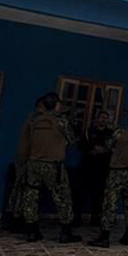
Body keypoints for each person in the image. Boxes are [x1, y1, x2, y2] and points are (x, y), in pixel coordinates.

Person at [19, 92, 82, 243]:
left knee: (31, 197)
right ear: (56, 105)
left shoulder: (35, 120)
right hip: (53, 165)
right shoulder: (61, 121)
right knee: (63, 197)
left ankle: (32, 231)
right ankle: (66, 232)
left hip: (33, 163)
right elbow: (72, 140)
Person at [88, 106, 128, 248]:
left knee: (110, 204)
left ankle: (104, 237)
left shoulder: (121, 133)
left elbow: (108, 144)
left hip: (117, 171)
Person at [1, 96, 42, 233]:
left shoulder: (33, 118)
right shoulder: (35, 119)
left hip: (26, 157)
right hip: (27, 159)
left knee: (22, 189)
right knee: (23, 190)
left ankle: (16, 219)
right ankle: (17, 220)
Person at [77, 110, 113, 227]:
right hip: (88, 166)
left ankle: (96, 219)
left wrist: (104, 150)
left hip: (102, 168)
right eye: (101, 117)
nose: (103, 120)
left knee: (99, 195)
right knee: (81, 193)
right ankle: (77, 217)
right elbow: (81, 145)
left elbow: (114, 148)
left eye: (105, 118)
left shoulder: (110, 133)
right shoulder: (89, 131)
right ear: (97, 119)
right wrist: (93, 149)